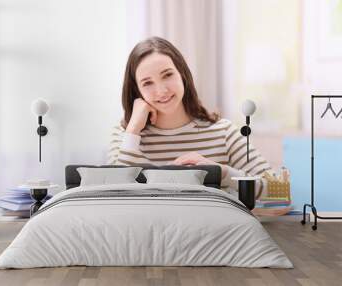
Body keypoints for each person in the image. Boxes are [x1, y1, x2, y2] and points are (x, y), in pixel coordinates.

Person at [107, 36, 272, 199]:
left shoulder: (224, 132)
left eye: (167, 75)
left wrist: (222, 172)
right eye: (147, 83)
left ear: (182, 74)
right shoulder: (125, 135)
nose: (161, 90)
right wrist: (134, 128)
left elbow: (276, 190)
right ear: (137, 91)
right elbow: (113, 193)